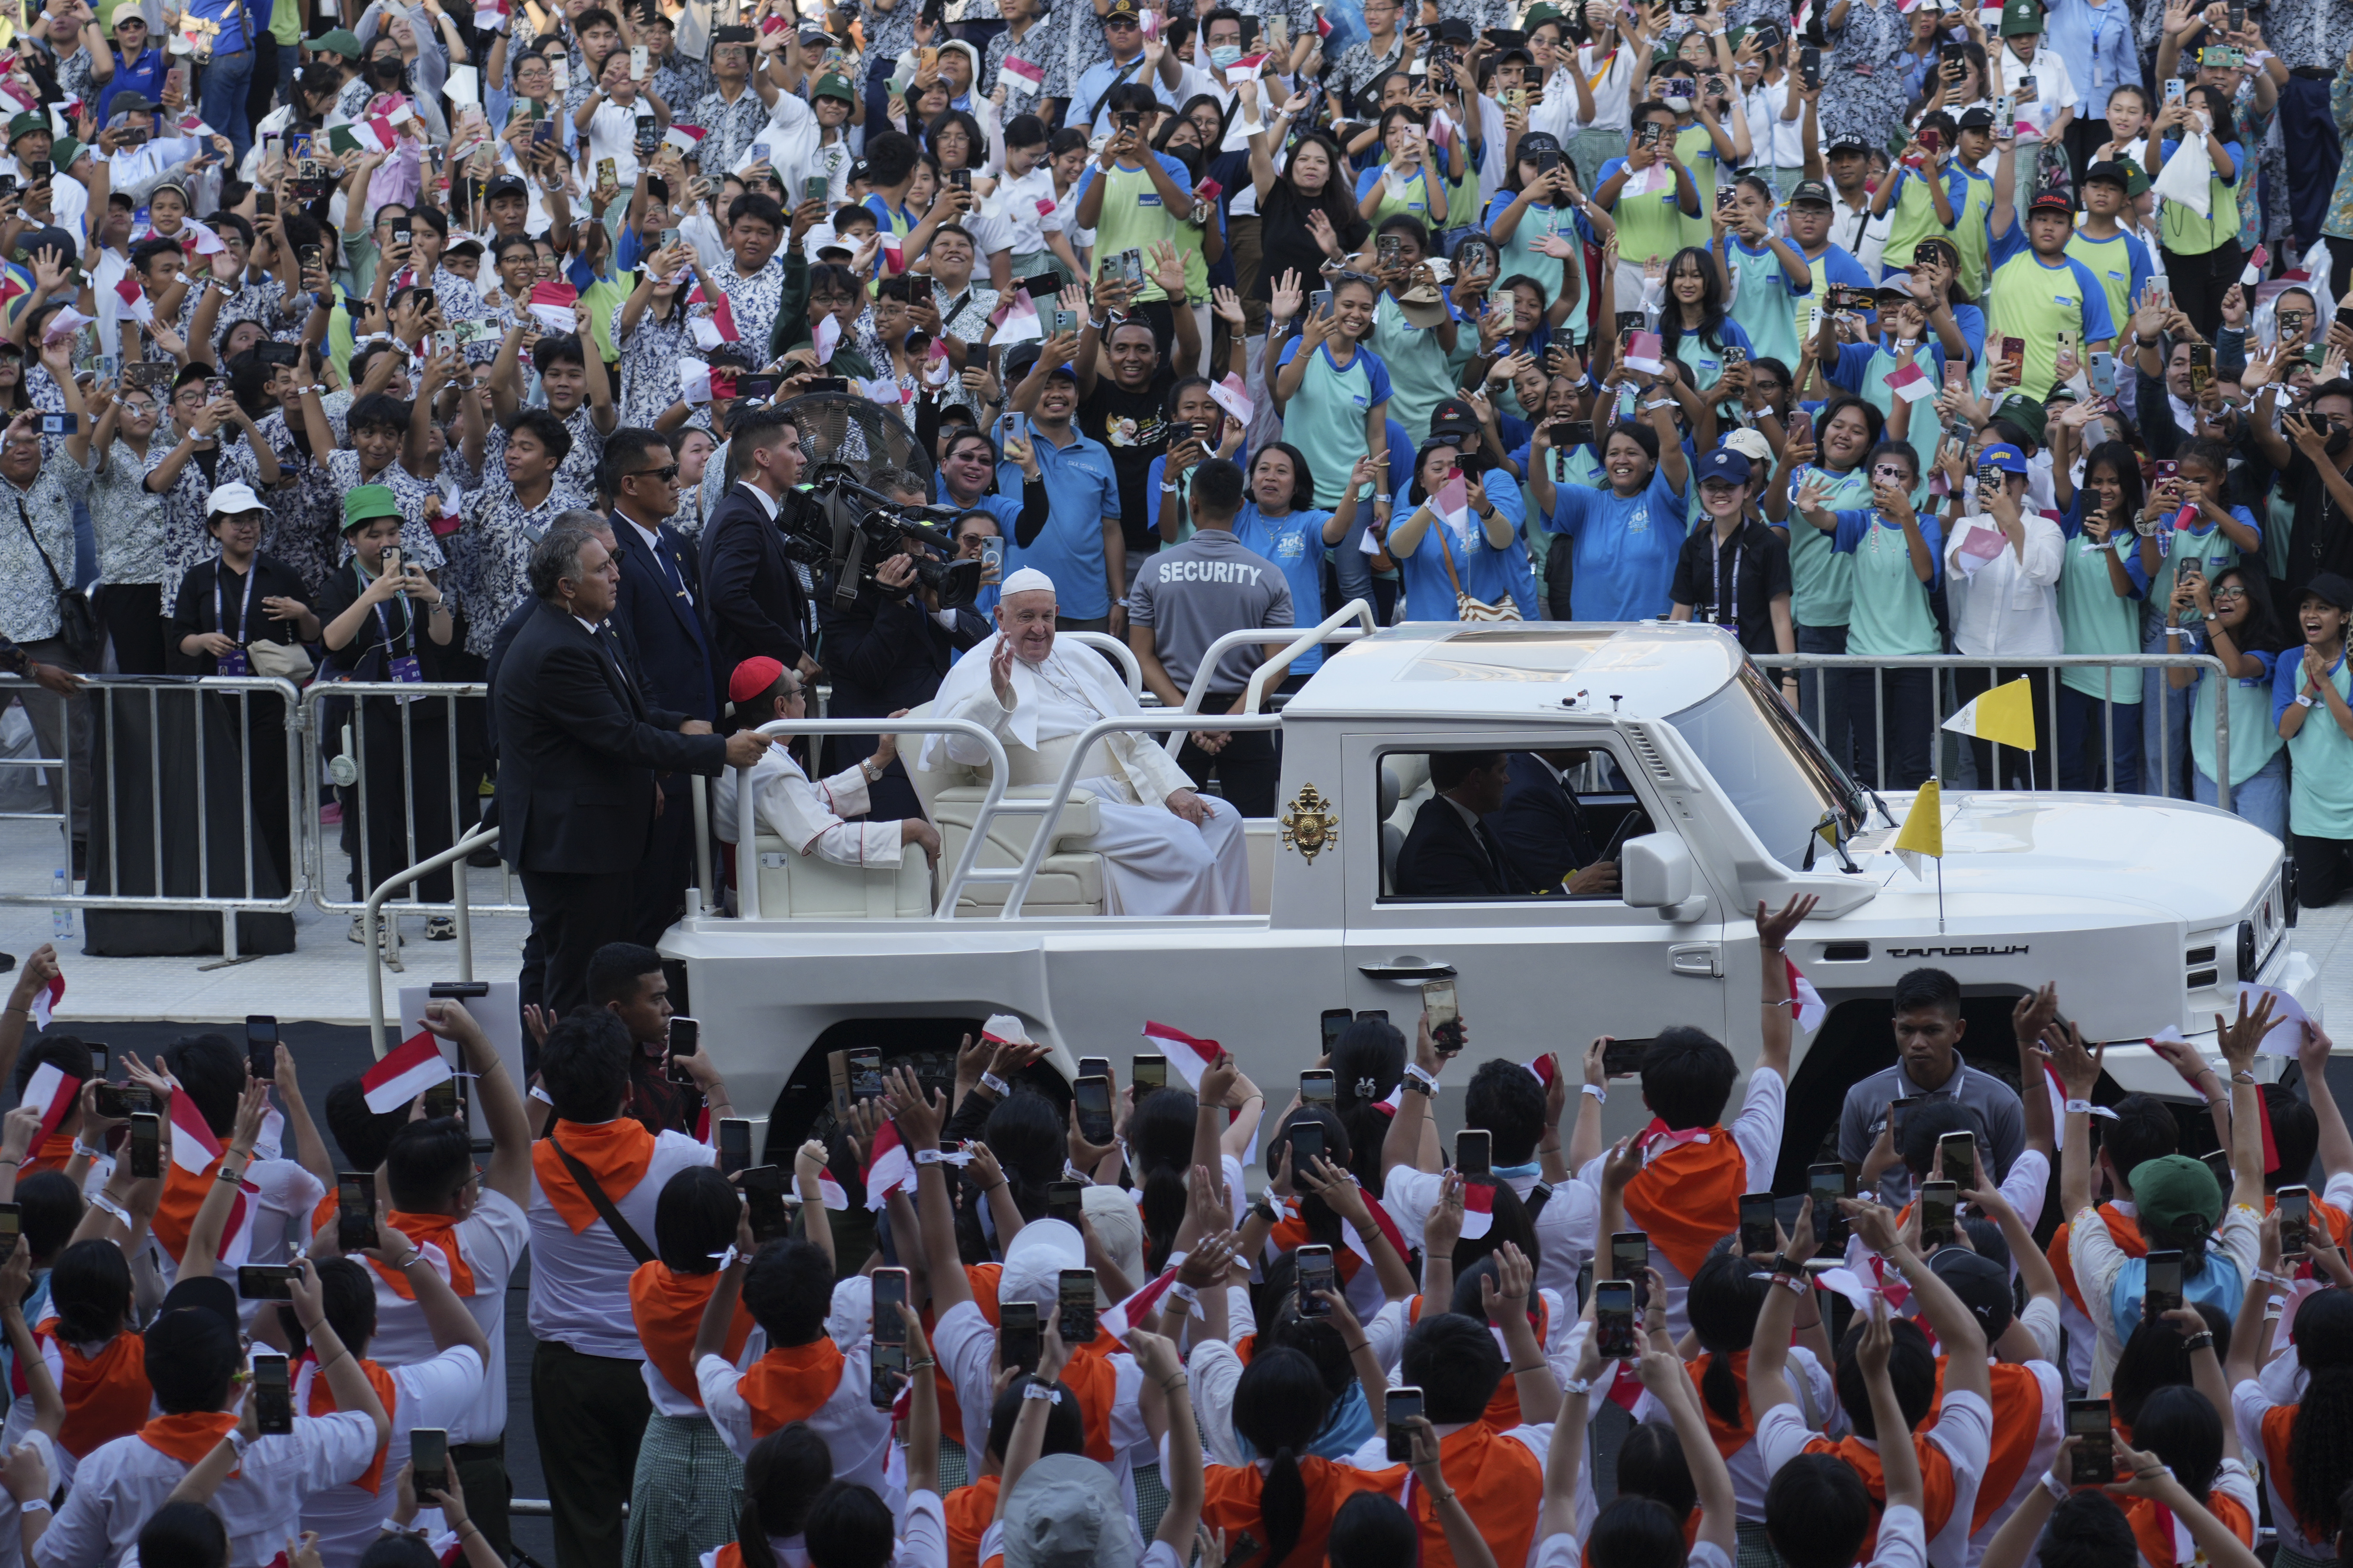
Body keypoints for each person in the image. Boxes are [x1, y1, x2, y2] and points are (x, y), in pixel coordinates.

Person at [492, 526, 769, 1021]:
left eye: (614, 561)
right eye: (603, 568)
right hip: (571, 850)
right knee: (577, 983)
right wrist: (717, 750)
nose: (618, 574)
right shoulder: (557, 648)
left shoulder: (588, 629)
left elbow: (628, 712)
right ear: (567, 586)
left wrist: (681, 724)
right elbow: (620, 736)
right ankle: (562, 1089)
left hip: (596, 840)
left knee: (600, 976)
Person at [922, 567, 1251, 917]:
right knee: (1183, 843)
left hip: (1121, 789)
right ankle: (1190, 953)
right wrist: (995, 694)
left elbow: (1134, 738)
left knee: (1223, 820)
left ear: (1057, 615)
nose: (1039, 629)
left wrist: (1172, 789)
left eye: (1047, 617)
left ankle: (1230, 933)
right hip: (1053, 802)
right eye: (1026, 617)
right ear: (1001, 617)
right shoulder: (976, 668)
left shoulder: (1081, 657)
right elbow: (960, 751)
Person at [527, 1007, 722, 1568]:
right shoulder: (676, 1160)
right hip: (655, 1366)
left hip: (565, 1373)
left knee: (583, 1535)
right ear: (627, 1086)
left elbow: (514, 1138)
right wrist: (714, 1088)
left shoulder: (532, 1169)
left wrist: (547, 1077)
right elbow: (736, 1180)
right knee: (663, 1527)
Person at [600, 427, 718, 950]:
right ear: (629, 484)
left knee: (684, 893)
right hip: (657, 753)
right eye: (666, 474)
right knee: (648, 904)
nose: (678, 483)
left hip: (694, 746)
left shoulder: (674, 543)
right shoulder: (607, 554)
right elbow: (622, 661)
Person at [1125, 458, 1295, 819]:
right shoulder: (1269, 575)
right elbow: (1277, 668)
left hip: (1177, 720)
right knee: (1254, 838)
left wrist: (1192, 718)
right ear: (1240, 504)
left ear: (1192, 503)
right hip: (1247, 720)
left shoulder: (1154, 569)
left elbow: (1141, 655)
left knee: (1176, 843)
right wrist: (1229, 721)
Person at [712, 656, 942, 881]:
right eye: (800, 692)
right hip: (779, 897)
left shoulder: (739, 752)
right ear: (782, 706)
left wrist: (879, 759)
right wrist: (909, 829)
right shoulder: (771, 769)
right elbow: (830, 841)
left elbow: (807, 800)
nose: (804, 702)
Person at [1837, 967, 2028, 1208]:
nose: (1917, 1043)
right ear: (1895, 1027)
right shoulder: (1863, 1098)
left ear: (1958, 1030)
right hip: (1891, 1240)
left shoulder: (1999, 1100)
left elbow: (2018, 1190)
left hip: (1973, 1241)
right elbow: (1851, 1189)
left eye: (1932, 1030)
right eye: (1907, 1030)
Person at [699, 407, 817, 682]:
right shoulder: (742, 517)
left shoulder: (746, 511)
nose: (803, 460)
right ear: (762, 457)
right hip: (755, 688)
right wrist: (791, 653)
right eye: (794, 448)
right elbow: (727, 596)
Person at [1394, 751, 1527, 899]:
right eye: (1501, 771)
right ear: (1476, 778)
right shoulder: (1437, 851)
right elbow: (1485, 917)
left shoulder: (1470, 822)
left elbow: (1519, 896)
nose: (1507, 780)